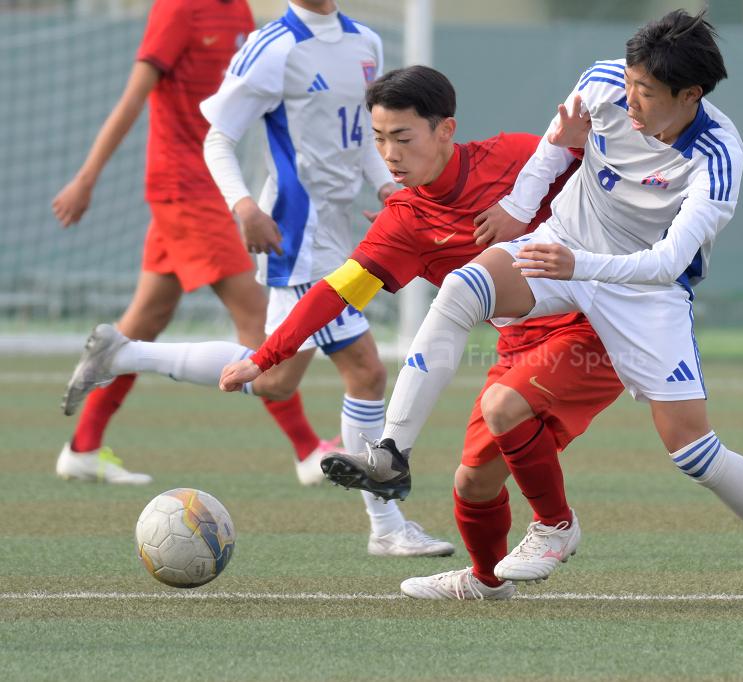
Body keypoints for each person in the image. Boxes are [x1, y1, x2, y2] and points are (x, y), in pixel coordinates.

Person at [243, 10, 743, 608]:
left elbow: (666, 264)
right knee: (462, 291)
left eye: (646, 90)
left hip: (644, 292)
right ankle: (391, 453)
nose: (630, 98)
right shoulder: (606, 82)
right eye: (630, 81)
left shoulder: (717, 158)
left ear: (689, 95)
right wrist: (518, 207)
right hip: (565, 244)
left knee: (693, 452)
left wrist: (578, 266)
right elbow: (552, 149)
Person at [60, 1, 453, 558]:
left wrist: (388, 190)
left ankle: (124, 355)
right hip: (297, 233)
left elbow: (364, 138)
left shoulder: (365, 41)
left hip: (340, 232)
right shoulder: (274, 45)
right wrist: (243, 205)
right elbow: (217, 137)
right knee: (364, 372)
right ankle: (387, 528)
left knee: (274, 378)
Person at [219, 65, 625, 600]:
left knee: (512, 410)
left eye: (403, 138)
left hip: (594, 327)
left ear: (445, 131)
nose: (389, 154)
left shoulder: (515, 155)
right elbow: (335, 291)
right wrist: (268, 356)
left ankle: (554, 524)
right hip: (520, 345)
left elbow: (618, 182)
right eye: (379, 138)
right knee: (472, 483)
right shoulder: (404, 221)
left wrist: (583, 148)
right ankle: (487, 581)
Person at [52, 0, 280, 485]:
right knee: (258, 322)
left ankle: (83, 447)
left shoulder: (240, 11)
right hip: (182, 188)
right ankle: (307, 452)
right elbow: (133, 99)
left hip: (212, 184)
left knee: (144, 321)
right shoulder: (177, 9)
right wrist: (86, 179)